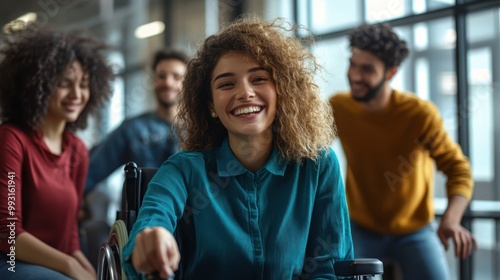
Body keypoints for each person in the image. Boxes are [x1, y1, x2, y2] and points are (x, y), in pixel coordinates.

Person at [121, 16, 353, 280]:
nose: (245, 93)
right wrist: (150, 239)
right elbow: (152, 221)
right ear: (210, 106)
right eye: (226, 84)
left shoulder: (318, 165)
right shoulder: (183, 170)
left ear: (282, 91)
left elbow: (331, 269)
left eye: (259, 79)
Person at [329, 23, 476, 280]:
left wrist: (451, 220)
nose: (354, 75)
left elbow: (459, 170)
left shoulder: (419, 114)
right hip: (359, 227)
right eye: (353, 64)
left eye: (367, 69)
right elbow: (306, 147)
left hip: (414, 231)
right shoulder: (339, 108)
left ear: (391, 72)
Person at [0, 28, 113, 279]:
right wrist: (70, 267)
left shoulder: (77, 150)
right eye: (63, 84)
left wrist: (88, 271)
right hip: (9, 262)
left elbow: (70, 233)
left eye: (83, 85)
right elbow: (7, 232)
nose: (76, 95)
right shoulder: (12, 139)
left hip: (54, 265)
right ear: (36, 86)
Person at [85, 48, 190, 194]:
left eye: (177, 77)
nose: (168, 83)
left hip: (190, 214)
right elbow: (90, 173)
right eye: (162, 76)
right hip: (142, 215)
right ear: (153, 80)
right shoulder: (132, 130)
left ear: (188, 84)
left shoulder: (200, 131)